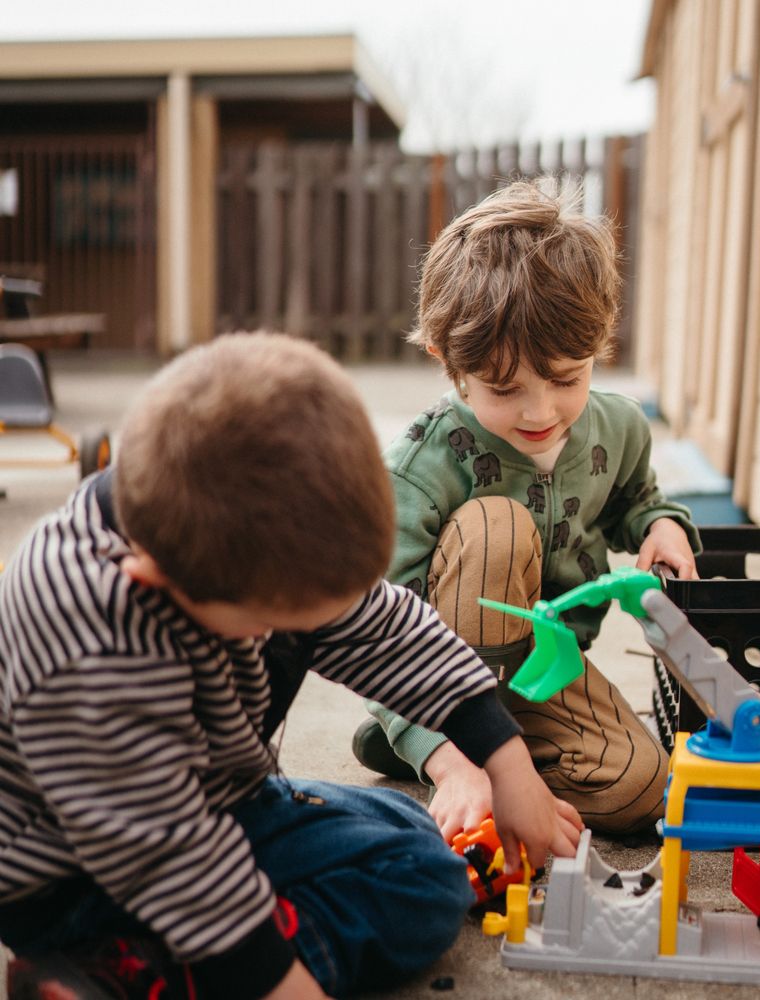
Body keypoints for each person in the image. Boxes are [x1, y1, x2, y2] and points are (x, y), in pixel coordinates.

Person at [0, 332, 581, 1000]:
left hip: (218, 796)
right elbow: (170, 857)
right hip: (78, 875)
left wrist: (507, 765)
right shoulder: (91, 646)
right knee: (419, 889)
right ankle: (127, 972)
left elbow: (386, 630)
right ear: (155, 578)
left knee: (414, 837)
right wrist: (282, 980)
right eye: (272, 621)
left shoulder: (238, 537)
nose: (285, 635)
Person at [353, 179, 701, 844]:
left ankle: (479, 754)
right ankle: (437, 746)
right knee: (495, 525)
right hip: (438, 675)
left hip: (544, 671)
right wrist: (454, 762)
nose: (539, 412)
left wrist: (660, 526)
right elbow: (373, 629)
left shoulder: (620, 429)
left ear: (601, 346)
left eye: (567, 379)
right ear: (449, 362)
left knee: (643, 789)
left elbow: (640, 498)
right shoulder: (419, 468)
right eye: (505, 389)